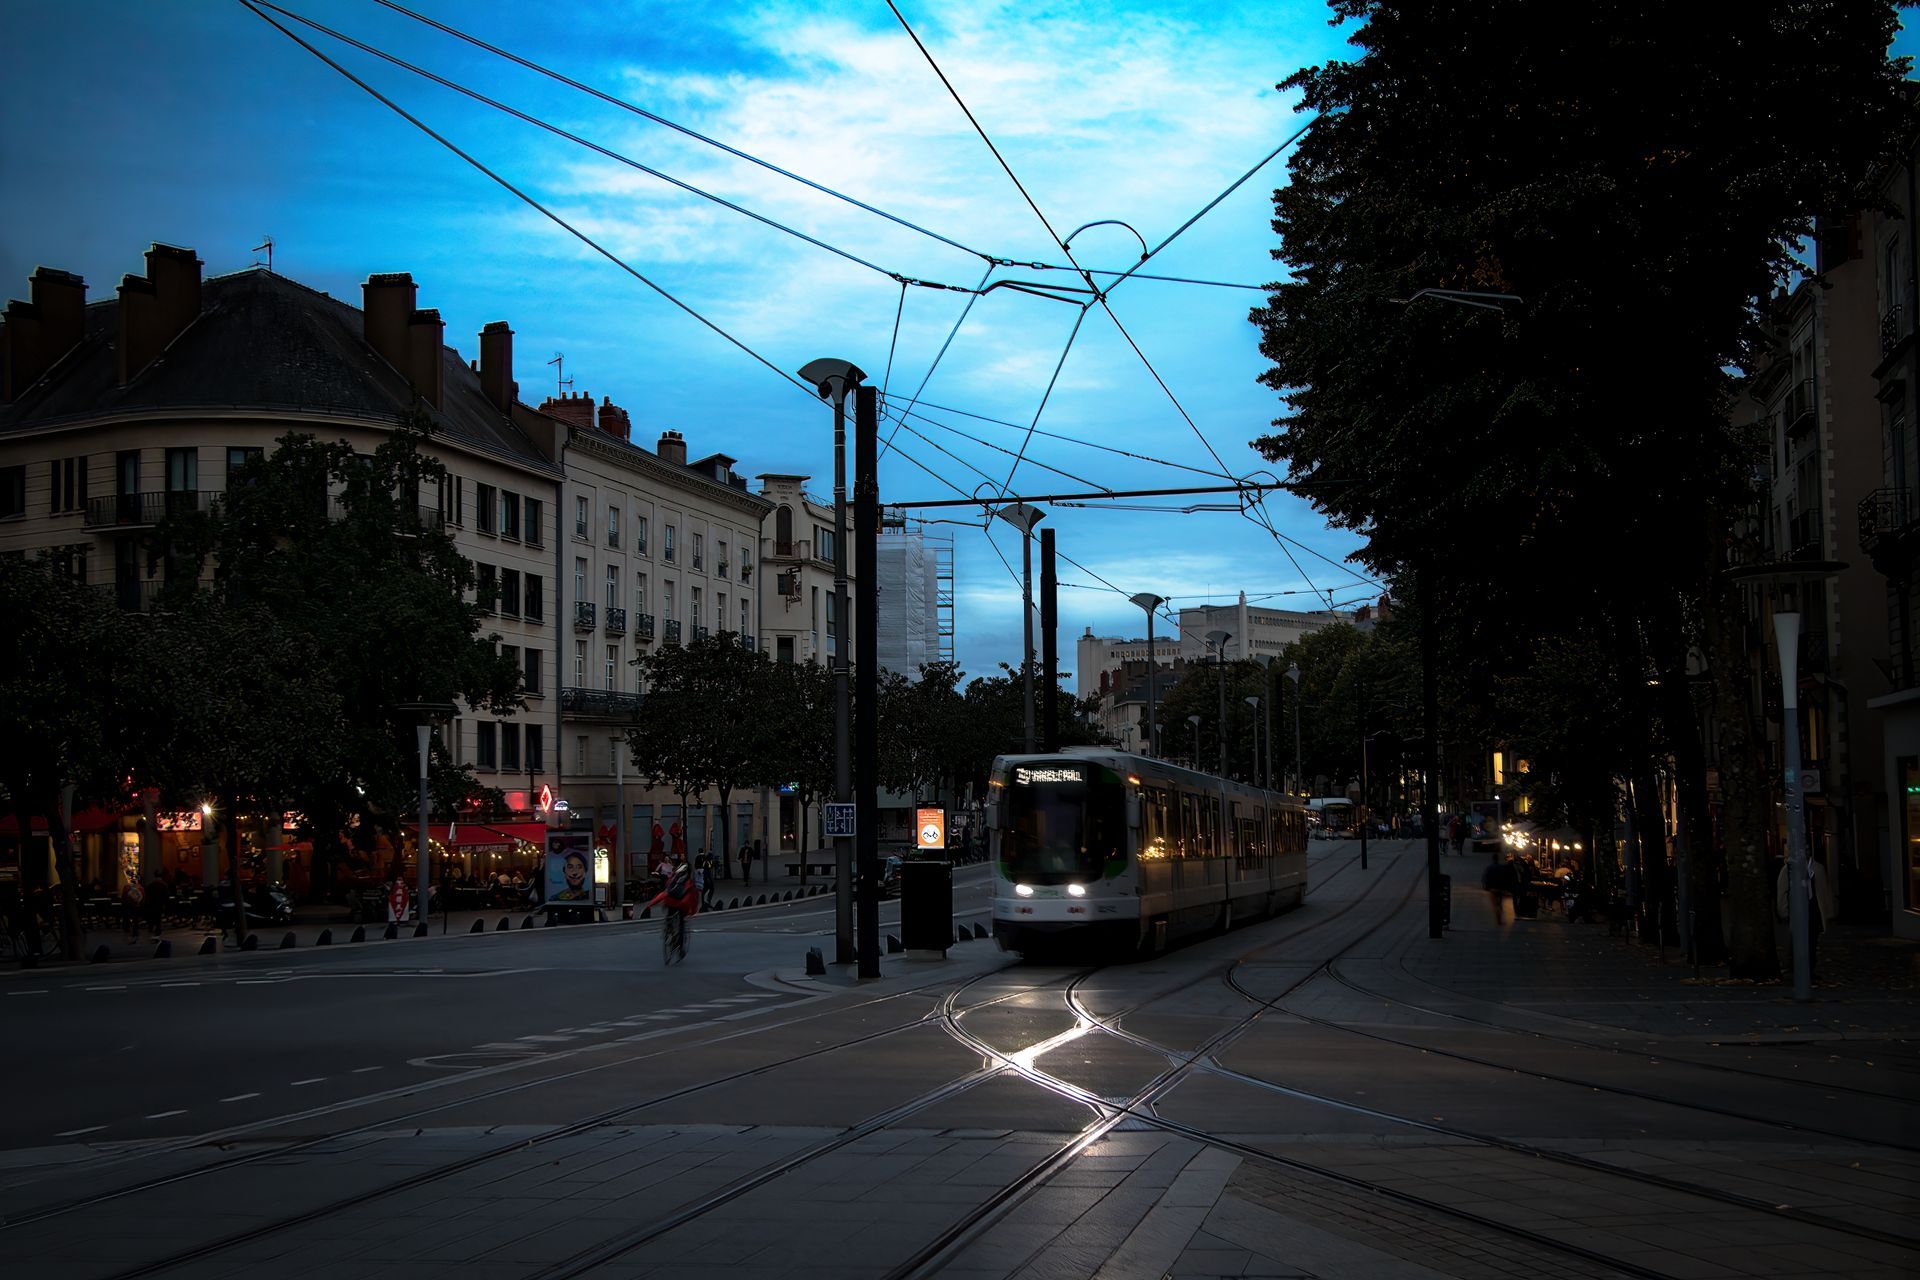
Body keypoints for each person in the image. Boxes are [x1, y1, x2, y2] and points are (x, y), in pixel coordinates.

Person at [1775, 856, 1835, 981]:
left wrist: (1828, 911)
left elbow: (1824, 891)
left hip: (1813, 910)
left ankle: (1809, 969)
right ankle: (1797, 969)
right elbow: (1783, 890)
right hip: (1796, 911)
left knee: (1812, 941)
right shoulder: (1788, 869)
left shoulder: (1817, 868)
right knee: (1797, 941)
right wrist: (1783, 910)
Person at [647, 857, 701, 960]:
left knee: (670, 915)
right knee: (681, 925)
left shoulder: (673, 878)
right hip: (681, 904)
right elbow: (693, 898)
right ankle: (680, 948)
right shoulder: (689, 882)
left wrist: (652, 904)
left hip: (670, 902)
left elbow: (666, 891)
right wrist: (692, 911)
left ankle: (669, 929)